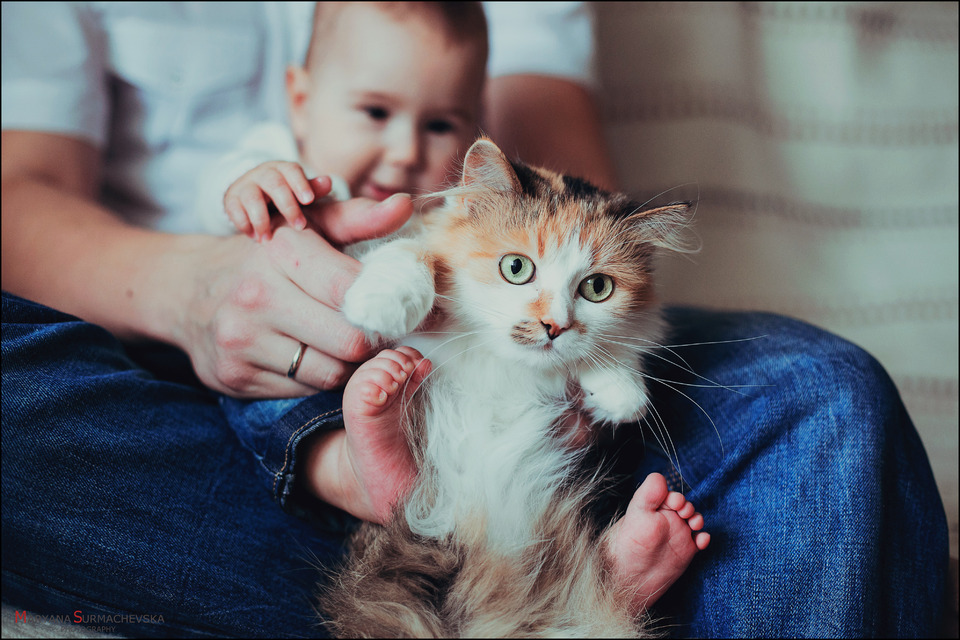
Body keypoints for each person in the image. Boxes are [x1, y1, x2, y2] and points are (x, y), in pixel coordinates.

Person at [1, 3, 946, 639]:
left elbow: (580, 198)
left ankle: (463, 566)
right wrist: (194, 290)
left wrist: (570, 347)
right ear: (299, 102)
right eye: (373, 112)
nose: (405, 152)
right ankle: (526, 574)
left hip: (502, 344)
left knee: (826, 395)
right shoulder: (275, 164)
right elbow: (19, 193)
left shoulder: (470, 170)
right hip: (185, 368)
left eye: (441, 125)